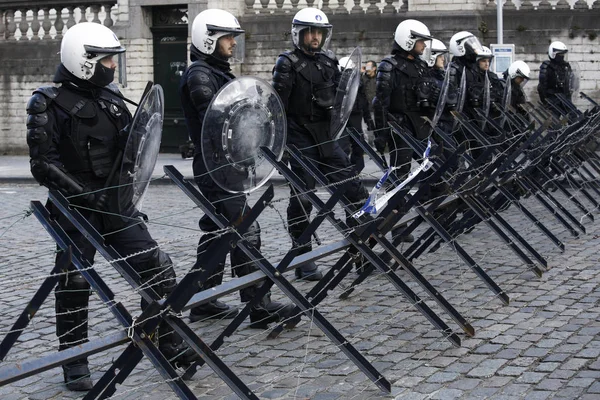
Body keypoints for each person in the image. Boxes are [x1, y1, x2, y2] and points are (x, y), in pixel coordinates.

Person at [26, 22, 199, 391]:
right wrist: (86, 195)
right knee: (74, 281)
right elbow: (43, 164)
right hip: (74, 209)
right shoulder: (46, 102)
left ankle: (163, 337)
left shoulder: (113, 96)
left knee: (156, 265)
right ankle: (72, 359)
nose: (113, 67)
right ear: (84, 60)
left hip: (116, 203)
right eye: (107, 60)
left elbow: (133, 147)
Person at [179, 9, 294, 326]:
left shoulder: (221, 74)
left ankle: (203, 301)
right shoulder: (199, 75)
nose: (232, 42)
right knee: (245, 229)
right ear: (209, 39)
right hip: (216, 166)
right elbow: (216, 120)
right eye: (227, 37)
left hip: (231, 163)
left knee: (219, 232)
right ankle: (258, 305)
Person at [272, 7, 369, 277]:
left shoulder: (329, 60)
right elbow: (277, 108)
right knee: (303, 198)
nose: (315, 37)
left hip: (327, 137)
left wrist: (353, 143)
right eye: (310, 32)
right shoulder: (287, 63)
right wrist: (284, 146)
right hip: (300, 137)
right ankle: (302, 258)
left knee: (354, 190)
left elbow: (343, 102)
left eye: (319, 32)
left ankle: (360, 249)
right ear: (299, 34)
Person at [338, 56, 375, 173]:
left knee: (359, 147)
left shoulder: (358, 83)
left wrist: (368, 120)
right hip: (342, 118)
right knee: (343, 148)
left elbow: (363, 101)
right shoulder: (336, 83)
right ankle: (343, 172)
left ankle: (355, 172)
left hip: (356, 117)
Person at [538, 41, 573, 117]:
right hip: (553, 99)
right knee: (554, 122)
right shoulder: (547, 67)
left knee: (574, 117)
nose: (562, 56)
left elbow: (571, 81)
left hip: (565, 97)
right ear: (553, 54)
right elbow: (542, 87)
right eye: (560, 54)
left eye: (563, 54)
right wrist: (546, 101)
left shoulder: (566, 66)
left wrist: (570, 93)